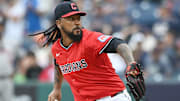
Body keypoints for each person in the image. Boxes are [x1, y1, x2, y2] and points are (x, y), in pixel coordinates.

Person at [31, 1, 145, 101]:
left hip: (111, 97)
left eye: (78, 18)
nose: (77, 22)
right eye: (71, 19)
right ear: (59, 23)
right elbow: (58, 63)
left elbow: (120, 44)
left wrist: (131, 62)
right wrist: (56, 89)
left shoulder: (90, 39)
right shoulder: (56, 48)